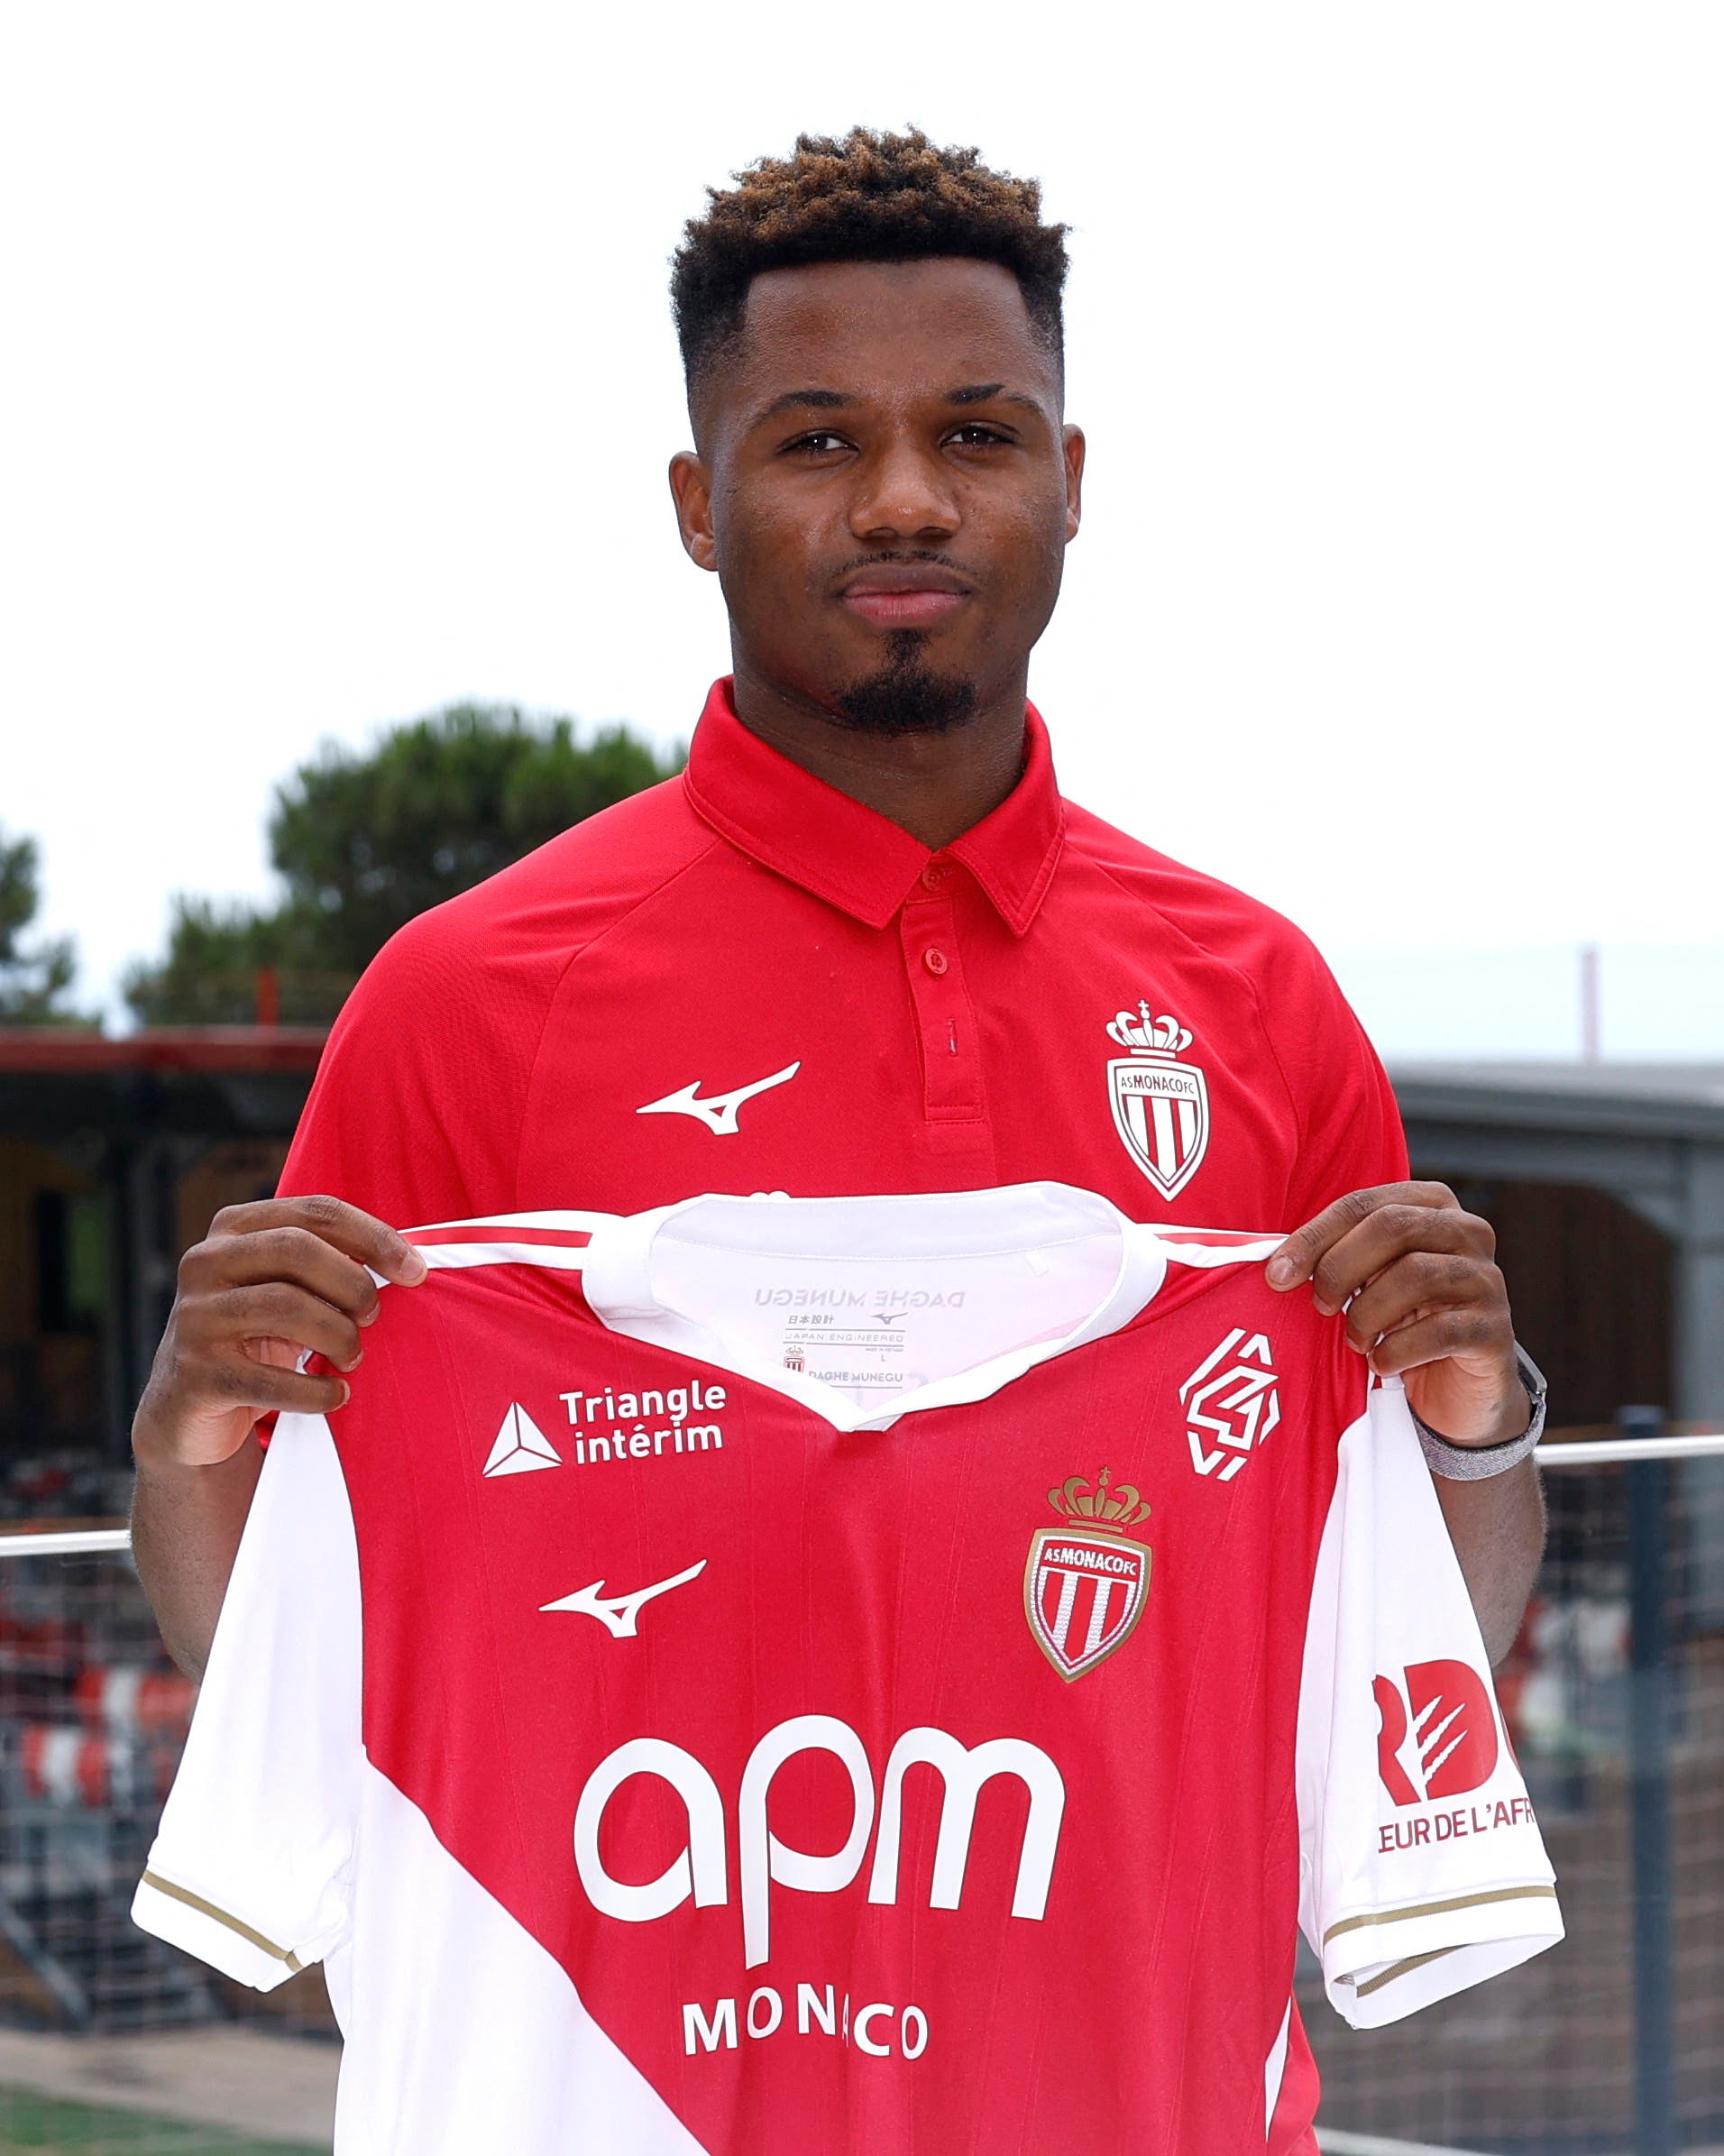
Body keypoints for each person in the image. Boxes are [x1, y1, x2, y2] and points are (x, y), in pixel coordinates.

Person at [130, 124, 1546, 2127]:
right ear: (699, 505)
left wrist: (1474, 1419)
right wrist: (186, 1435)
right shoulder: (464, 1004)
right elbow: (301, 1650)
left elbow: (1400, 1638)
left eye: (973, 433)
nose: (901, 499)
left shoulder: (1255, 1007)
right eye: (812, 444)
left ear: (1070, 480)